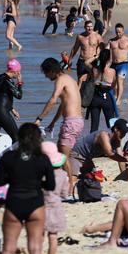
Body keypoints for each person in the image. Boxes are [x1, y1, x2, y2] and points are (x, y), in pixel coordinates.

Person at [0, 123, 55, 254]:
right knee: (35, 248)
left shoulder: (8, 157)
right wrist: (37, 183)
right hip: (35, 203)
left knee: (8, 248)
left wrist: (14, 180)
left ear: (19, 138)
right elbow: (50, 185)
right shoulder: (43, 159)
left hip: (14, 202)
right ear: (38, 139)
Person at [35, 58, 83, 194]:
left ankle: (70, 186)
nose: (46, 76)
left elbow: (53, 100)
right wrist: (53, 122)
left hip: (71, 122)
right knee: (61, 154)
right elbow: (63, 105)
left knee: (62, 157)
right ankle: (66, 183)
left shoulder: (60, 80)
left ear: (51, 71)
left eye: (46, 73)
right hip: (76, 121)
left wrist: (39, 118)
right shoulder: (70, 79)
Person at [41, 141, 68, 254]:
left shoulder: (40, 174)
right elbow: (64, 194)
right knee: (53, 236)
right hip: (56, 207)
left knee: (39, 235)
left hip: (41, 207)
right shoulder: (63, 175)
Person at [87, 49, 118, 132]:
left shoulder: (94, 69)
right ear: (109, 58)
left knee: (94, 126)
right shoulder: (112, 71)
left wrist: (96, 57)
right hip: (107, 97)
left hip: (95, 97)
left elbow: (86, 62)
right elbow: (114, 85)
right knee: (111, 124)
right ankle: (112, 144)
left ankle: (91, 144)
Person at [108, 23, 128, 105]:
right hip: (113, 64)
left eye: (120, 32)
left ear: (123, 31)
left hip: (123, 64)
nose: (118, 34)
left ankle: (118, 100)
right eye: (116, 32)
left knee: (119, 81)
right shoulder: (111, 41)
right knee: (113, 83)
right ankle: (114, 96)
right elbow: (105, 52)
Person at [69, 20, 102, 84]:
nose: (90, 28)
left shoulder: (97, 36)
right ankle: (79, 93)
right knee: (80, 80)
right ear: (84, 27)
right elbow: (74, 49)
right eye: (88, 26)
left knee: (93, 80)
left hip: (92, 62)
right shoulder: (80, 37)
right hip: (82, 61)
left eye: (91, 26)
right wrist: (70, 59)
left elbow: (102, 48)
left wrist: (99, 57)